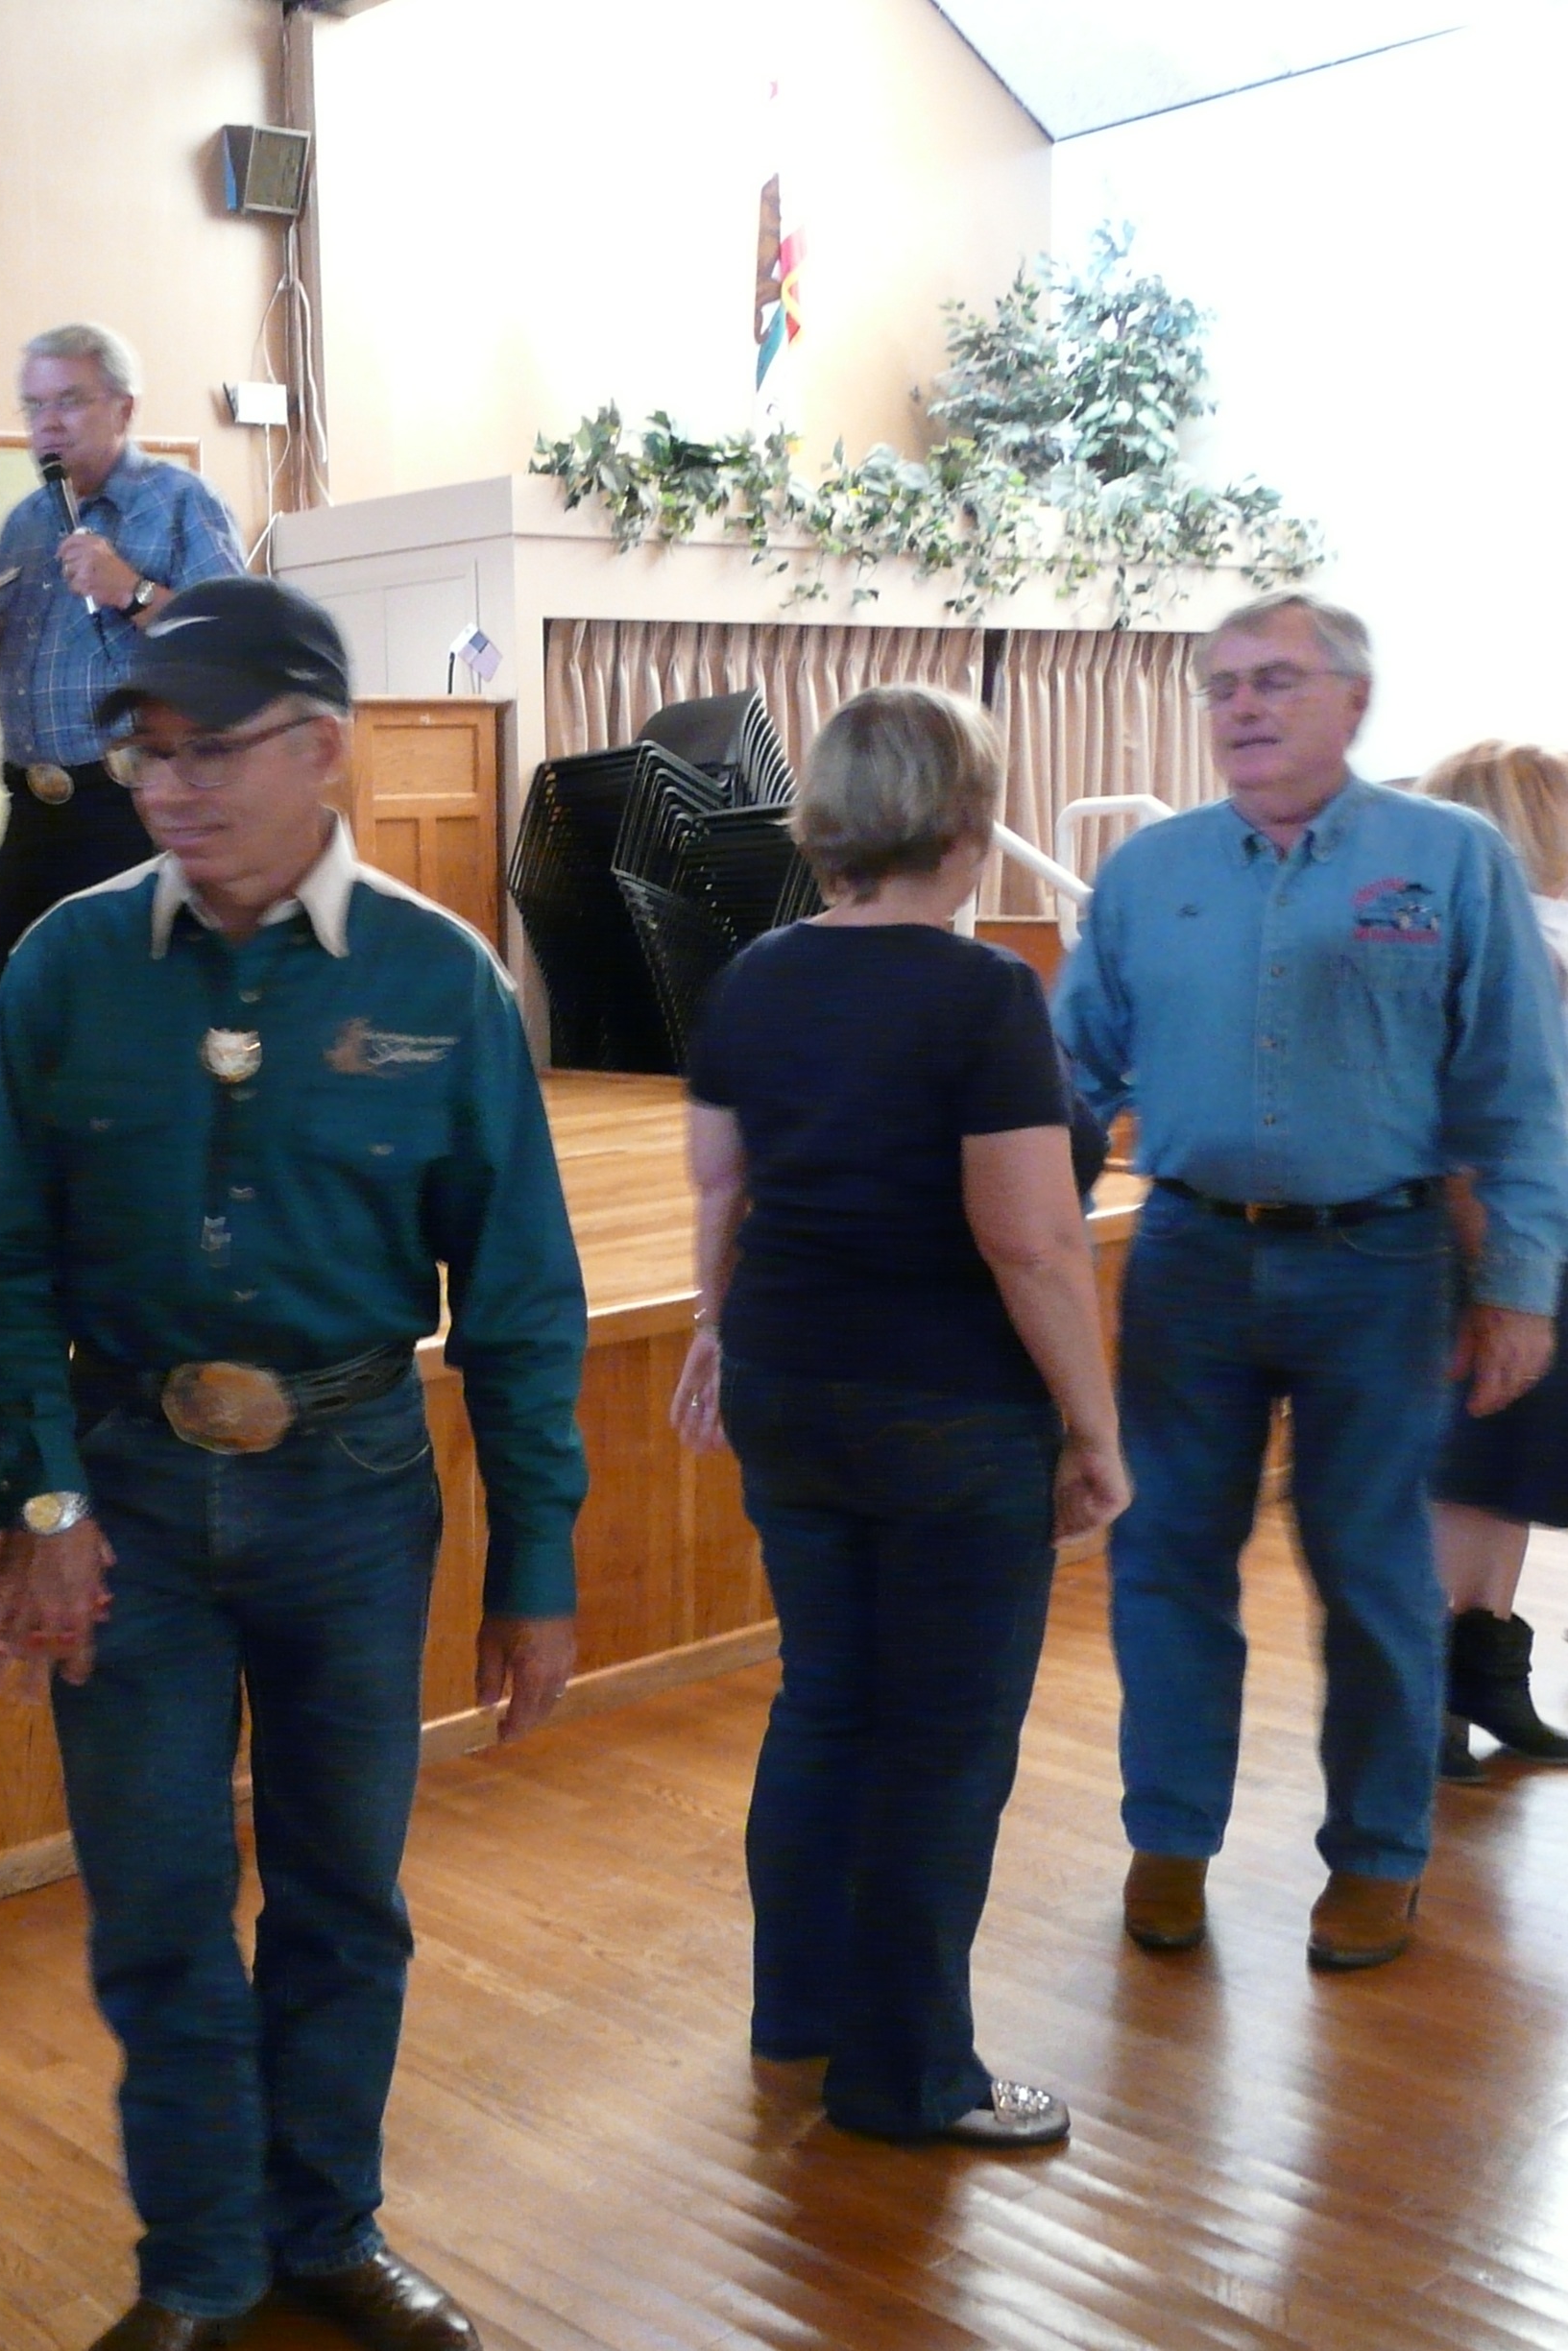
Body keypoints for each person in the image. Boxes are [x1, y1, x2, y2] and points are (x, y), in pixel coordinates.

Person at [0, 575, 590, 2351]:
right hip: (124, 1496)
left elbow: (521, 1302)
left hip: (352, 1491)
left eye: (206, 750)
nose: (167, 787)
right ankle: (199, 2264)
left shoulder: (438, 978)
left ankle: (326, 2229)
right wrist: (41, 1503)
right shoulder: (68, 965)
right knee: (154, 1905)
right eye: (144, 754)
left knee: (340, 1896)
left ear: (320, 748)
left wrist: (534, 1565)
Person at [1055, 594, 1568, 1972]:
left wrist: (1519, 1287)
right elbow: (1068, 1078)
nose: (1243, 707)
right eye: (1222, 685)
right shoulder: (1149, 872)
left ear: (1354, 699)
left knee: (1375, 1575)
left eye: (1276, 680)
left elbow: (1520, 1092)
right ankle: (1170, 1838)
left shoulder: (1449, 861)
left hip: (1385, 1271)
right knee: (1166, 1560)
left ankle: (1379, 1857)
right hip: (1190, 1261)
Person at [668, 686, 1130, 2150]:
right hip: (945, 1409)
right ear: (968, 823)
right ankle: (911, 2076)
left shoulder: (752, 976)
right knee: (941, 1743)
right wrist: (1096, 1428)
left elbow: (720, 1188)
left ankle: (800, 2014)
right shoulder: (982, 992)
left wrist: (715, 1330)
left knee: (825, 1703)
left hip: (788, 1384)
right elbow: (1032, 1243)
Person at [0, 320, 245, 1017]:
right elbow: (38, 681)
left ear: (124, 408)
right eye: (33, 406)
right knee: (16, 1013)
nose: (48, 424)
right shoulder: (24, 525)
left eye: (69, 401)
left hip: (135, 809)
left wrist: (132, 591)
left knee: (138, 1021)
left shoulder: (180, 503)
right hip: (33, 812)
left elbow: (235, 649)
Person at [1415, 741, 1568, 1774]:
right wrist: (1492, 1279)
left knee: (1508, 1469)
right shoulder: (1494, 950)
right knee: (1463, 1472)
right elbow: (1473, 1135)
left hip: (1532, 1242)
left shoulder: (1536, 940)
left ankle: (1487, 1675)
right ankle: (1427, 1700)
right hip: (1486, 1250)